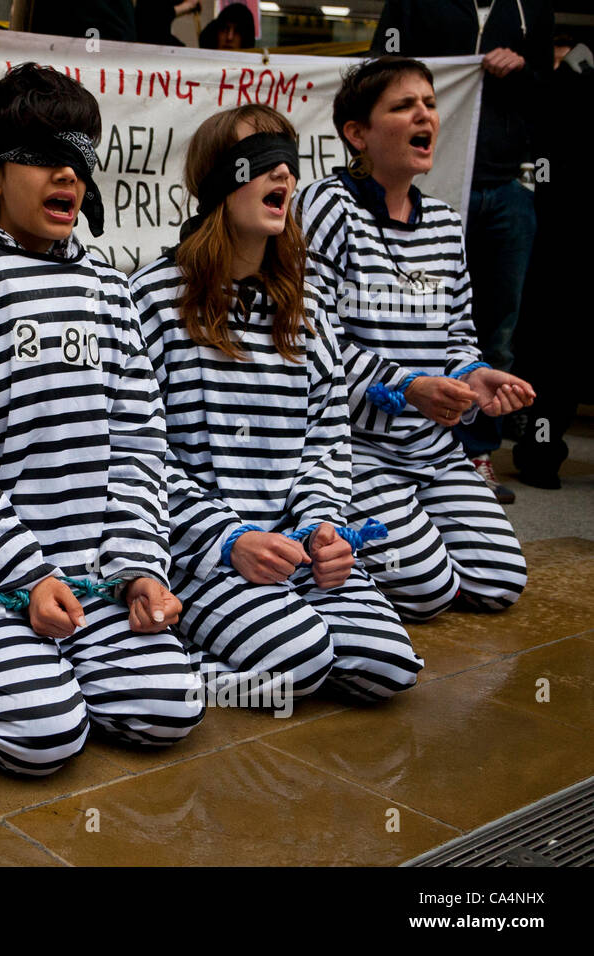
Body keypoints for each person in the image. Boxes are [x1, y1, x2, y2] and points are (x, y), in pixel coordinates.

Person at [0, 64, 203, 776]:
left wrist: (138, 567)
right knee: (41, 734)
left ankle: (64, 665)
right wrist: (20, 577)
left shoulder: (107, 293)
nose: (69, 175)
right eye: (48, 158)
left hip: (90, 577)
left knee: (169, 705)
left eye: (82, 161)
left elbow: (141, 446)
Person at [131, 104, 423, 703]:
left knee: (388, 668)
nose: (284, 176)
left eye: (289, 161)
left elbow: (327, 440)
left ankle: (277, 638)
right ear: (218, 180)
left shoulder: (306, 307)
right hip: (201, 553)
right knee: (301, 660)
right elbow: (139, 456)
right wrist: (226, 539)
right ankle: (173, 672)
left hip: (294, 547)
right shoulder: (152, 301)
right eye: (262, 161)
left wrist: (322, 526)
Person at [294, 56, 530, 622]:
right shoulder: (328, 207)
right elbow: (309, 342)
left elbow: (459, 336)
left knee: (501, 584)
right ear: (358, 134)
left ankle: (404, 544)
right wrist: (406, 386)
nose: (425, 115)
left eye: (429, 103)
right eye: (403, 106)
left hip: (434, 451)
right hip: (356, 451)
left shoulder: (447, 225)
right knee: (427, 593)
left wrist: (474, 377)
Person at [369, 0, 554, 502]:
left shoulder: (530, 8)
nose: (422, 111)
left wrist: (523, 71)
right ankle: (393, 445)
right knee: (402, 309)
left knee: (496, 326)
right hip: (445, 177)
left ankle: (476, 452)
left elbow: (547, 90)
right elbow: (379, 66)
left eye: (427, 103)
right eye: (413, 105)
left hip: (510, 181)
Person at [509, 34, 594, 488]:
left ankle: (541, 450)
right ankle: (541, 451)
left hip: (565, 230)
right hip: (567, 232)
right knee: (558, 347)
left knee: (558, 348)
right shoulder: (574, 77)